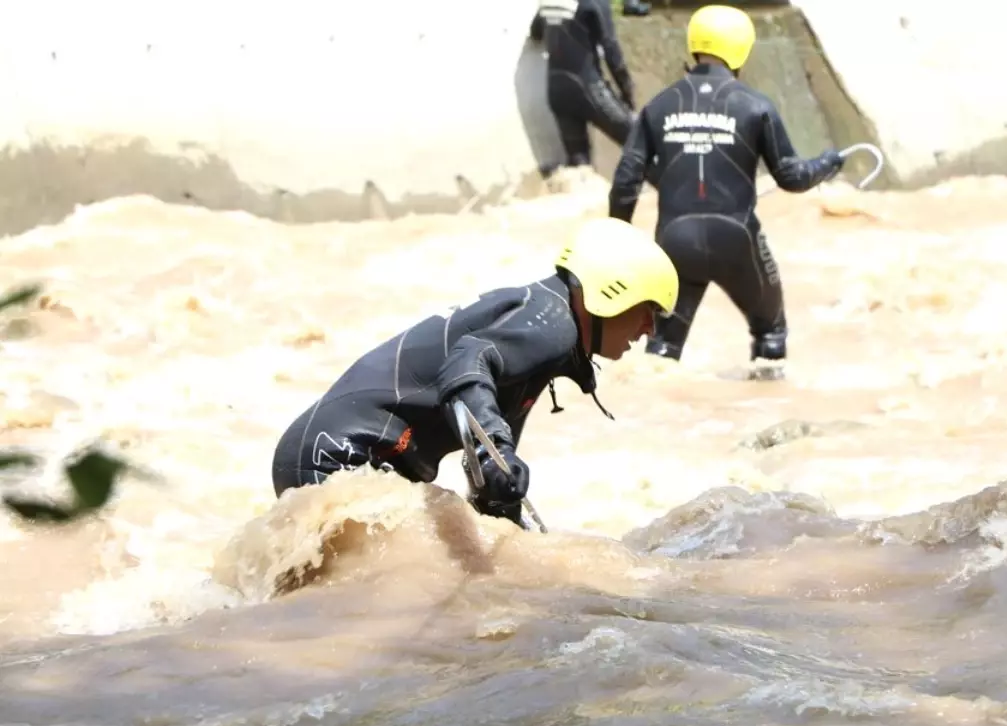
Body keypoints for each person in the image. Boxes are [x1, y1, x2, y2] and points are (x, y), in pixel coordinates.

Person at [270, 217, 679, 525]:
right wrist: (493, 452)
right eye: (648, 311)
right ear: (613, 292)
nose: (649, 329)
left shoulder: (547, 326)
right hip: (339, 456)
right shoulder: (552, 324)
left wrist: (503, 502)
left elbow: (492, 474)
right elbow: (469, 363)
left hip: (332, 454)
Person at [607, 4, 846, 368]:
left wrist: (618, 240)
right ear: (742, 48)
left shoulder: (659, 106)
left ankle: (659, 416)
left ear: (693, 44)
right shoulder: (756, 106)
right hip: (737, 241)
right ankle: (766, 410)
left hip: (675, 243)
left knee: (662, 349)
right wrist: (829, 162)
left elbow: (626, 182)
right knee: (770, 329)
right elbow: (793, 178)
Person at [528, 0, 644, 174]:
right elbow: (611, 50)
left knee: (580, 166)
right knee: (640, 139)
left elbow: (535, 33)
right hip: (587, 89)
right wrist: (627, 91)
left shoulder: (549, 3)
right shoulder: (596, 3)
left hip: (557, 91)